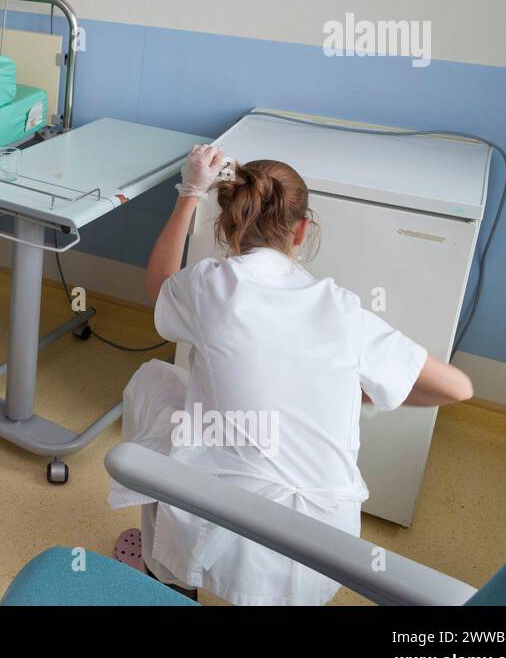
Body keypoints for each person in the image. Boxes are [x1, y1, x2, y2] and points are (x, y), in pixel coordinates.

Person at [110, 145, 473, 605]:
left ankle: (167, 576)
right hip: (327, 544)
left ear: (226, 224)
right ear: (303, 230)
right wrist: (353, 391)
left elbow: (157, 283)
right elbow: (457, 387)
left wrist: (189, 190)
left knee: (155, 384)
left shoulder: (211, 284)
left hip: (228, 524)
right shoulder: (343, 309)